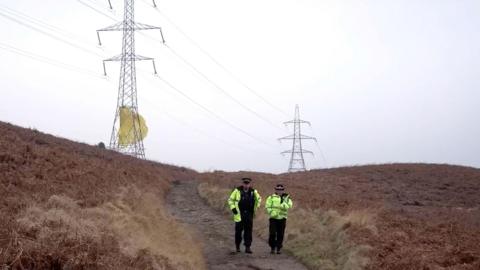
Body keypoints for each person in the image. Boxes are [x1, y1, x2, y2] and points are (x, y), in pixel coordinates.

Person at [227, 177, 261, 253]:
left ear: (250, 184)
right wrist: (233, 209)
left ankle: (247, 247)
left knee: (248, 231)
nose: (246, 185)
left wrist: (256, 207)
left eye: (247, 183)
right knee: (238, 231)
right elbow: (230, 200)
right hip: (239, 214)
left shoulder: (253, 191)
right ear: (242, 183)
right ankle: (237, 246)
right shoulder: (237, 190)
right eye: (245, 183)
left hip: (249, 214)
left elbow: (259, 199)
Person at [265, 184, 293, 254]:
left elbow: (289, 206)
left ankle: (278, 248)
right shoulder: (271, 197)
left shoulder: (287, 198)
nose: (279, 191)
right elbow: (267, 206)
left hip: (282, 218)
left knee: (280, 234)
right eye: (278, 189)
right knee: (272, 233)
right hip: (273, 218)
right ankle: (272, 247)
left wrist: (282, 205)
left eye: (281, 189)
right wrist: (271, 212)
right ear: (275, 190)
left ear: (283, 190)